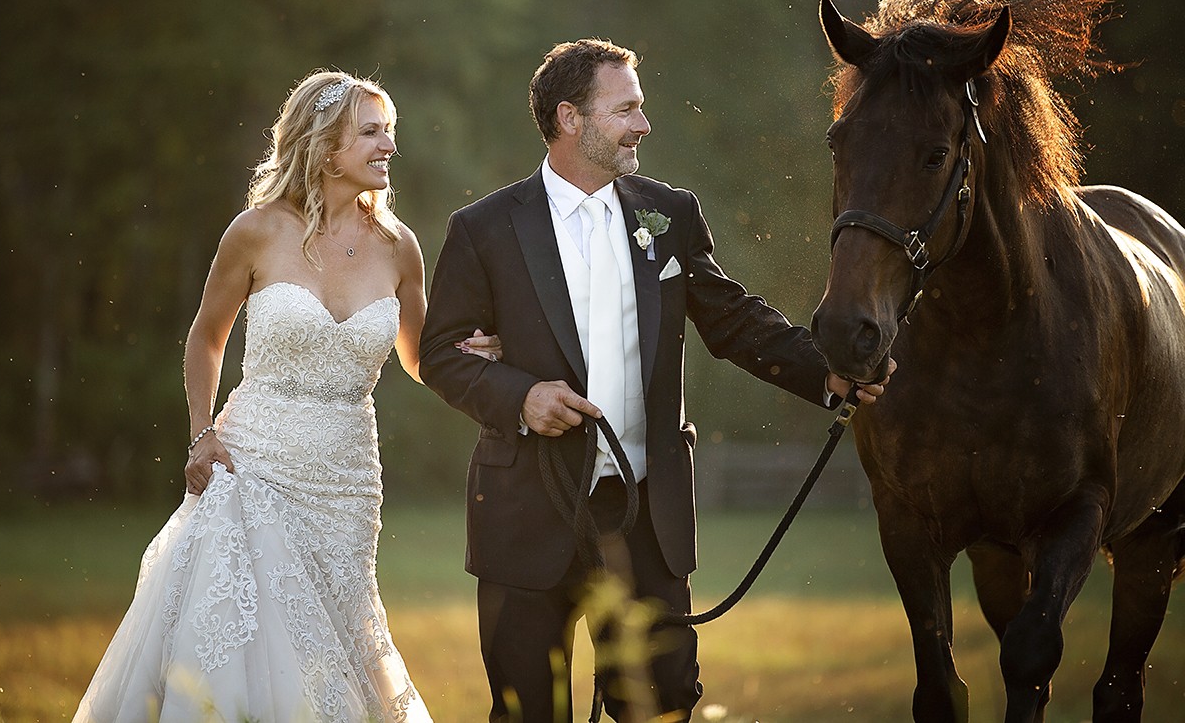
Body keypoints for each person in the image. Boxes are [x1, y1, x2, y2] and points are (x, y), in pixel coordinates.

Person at [418, 39, 893, 722]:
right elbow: (440, 352)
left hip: (647, 517)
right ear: (570, 118)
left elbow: (733, 321)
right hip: (525, 514)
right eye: (628, 109)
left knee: (664, 705)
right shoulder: (484, 228)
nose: (644, 124)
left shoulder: (668, 213)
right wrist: (521, 396)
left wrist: (833, 374)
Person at [74, 70, 497, 722]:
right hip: (253, 462)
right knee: (242, 643)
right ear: (326, 148)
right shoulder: (256, 231)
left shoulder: (399, 246)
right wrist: (201, 430)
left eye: (390, 131)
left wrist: (479, 355)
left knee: (334, 636)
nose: (389, 145)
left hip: (348, 476)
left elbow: (421, 357)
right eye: (372, 132)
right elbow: (206, 338)